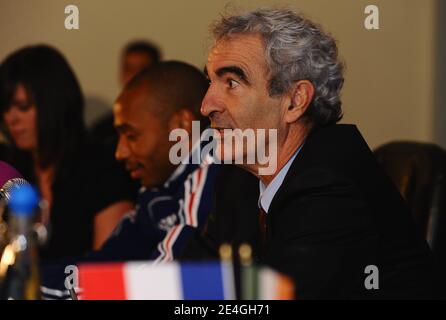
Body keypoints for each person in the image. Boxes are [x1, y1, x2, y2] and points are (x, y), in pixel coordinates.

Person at [199, 8, 437, 298]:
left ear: (295, 101)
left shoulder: (331, 183)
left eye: (232, 83)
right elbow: (198, 277)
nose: (207, 105)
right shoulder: (238, 179)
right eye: (211, 82)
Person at [40, 61, 219, 300]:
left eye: (131, 135)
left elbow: (163, 282)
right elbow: (111, 260)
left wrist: (32, 287)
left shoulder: (214, 166)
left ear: (181, 125)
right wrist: (26, 277)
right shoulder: (160, 184)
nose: (120, 153)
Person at [0, 45, 136, 260]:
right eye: (5, 109)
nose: (11, 118)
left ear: (54, 103)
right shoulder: (10, 168)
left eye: (23, 106)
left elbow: (107, 270)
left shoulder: (103, 167)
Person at [89, 40, 162, 143]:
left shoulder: (171, 125)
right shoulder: (103, 131)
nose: (134, 76)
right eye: (129, 69)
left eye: (142, 69)